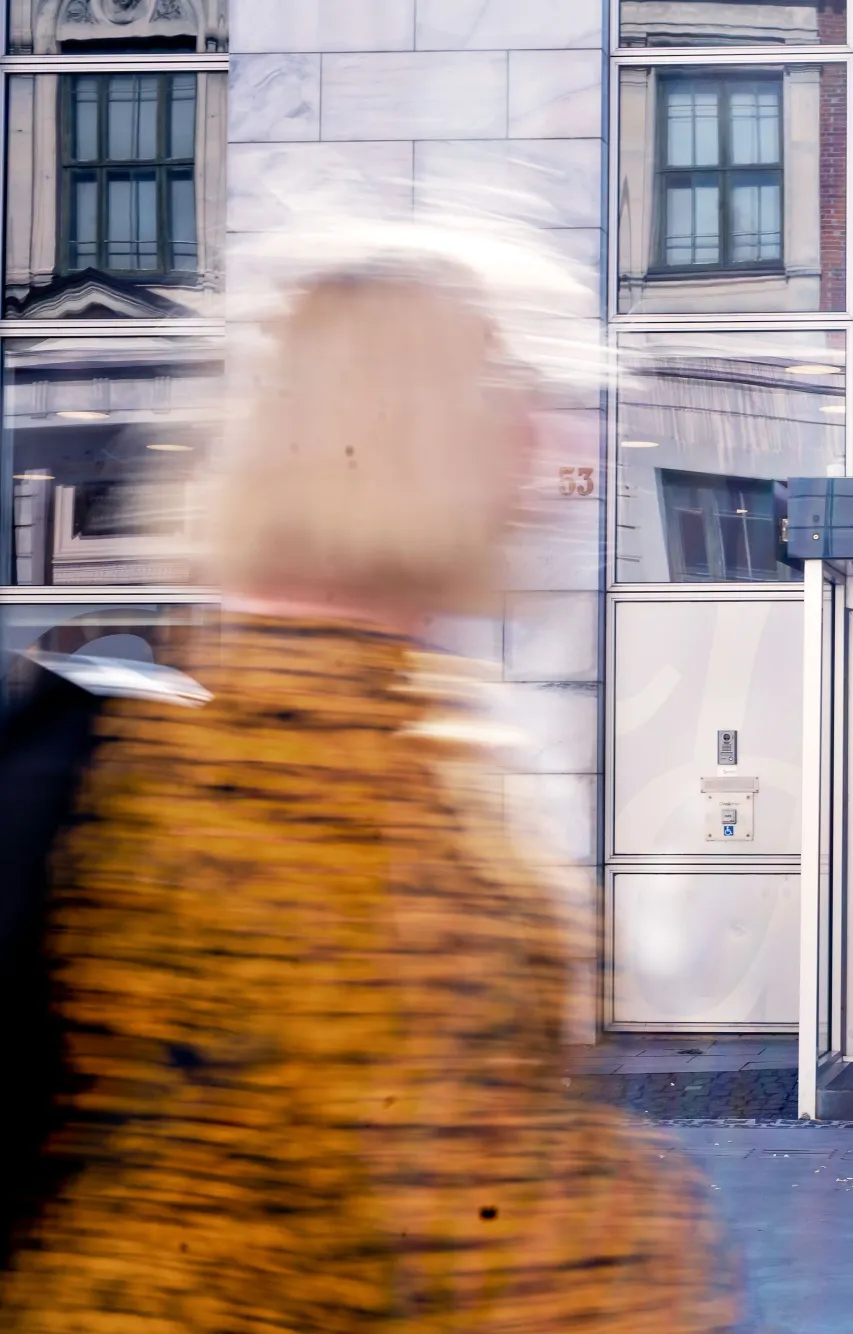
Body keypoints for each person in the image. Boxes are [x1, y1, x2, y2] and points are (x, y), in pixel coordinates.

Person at [0, 266, 737, 1330]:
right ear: (412, 442)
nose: (551, 441)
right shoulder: (295, 762)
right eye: (507, 396)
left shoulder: (335, 721)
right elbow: (426, 1177)